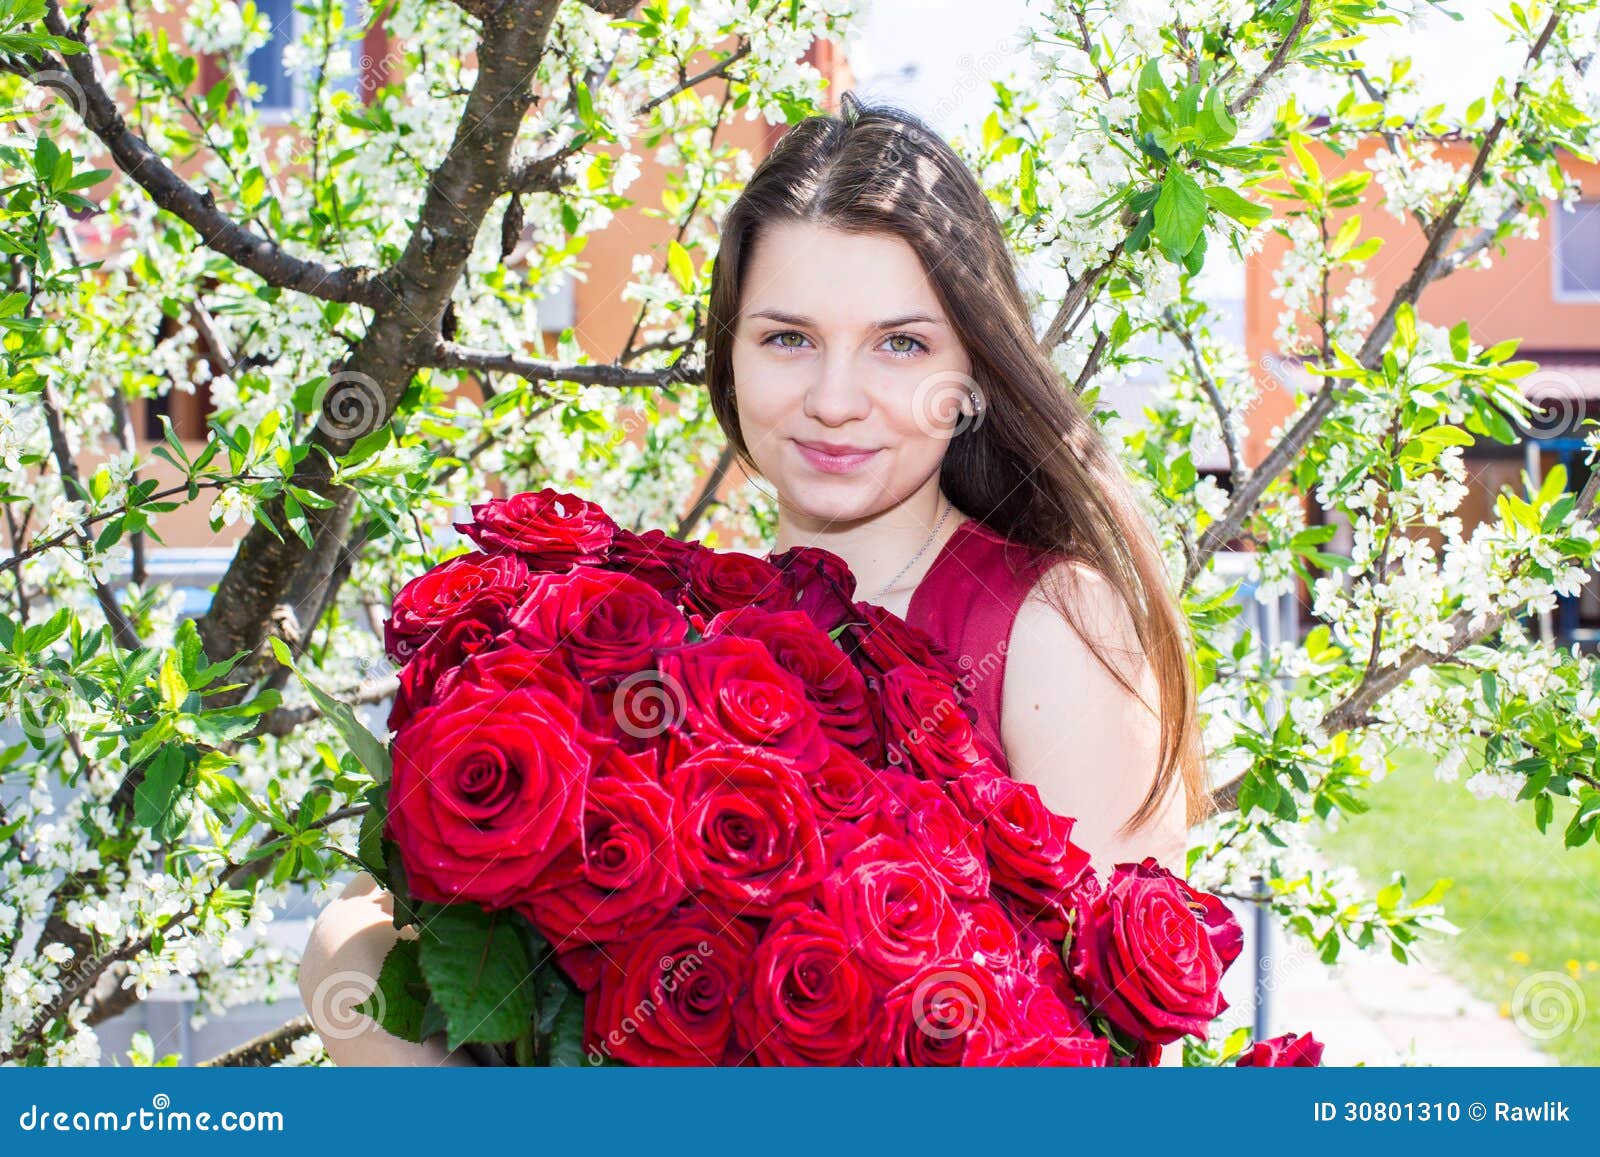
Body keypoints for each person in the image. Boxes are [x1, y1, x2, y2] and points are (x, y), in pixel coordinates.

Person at [298, 92, 1217, 1066]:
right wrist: (343, 974)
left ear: (974, 367)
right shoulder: (682, 619)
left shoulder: (1053, 623)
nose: (832, 399)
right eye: (788, 338)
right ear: (727, 359)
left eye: (899, 343)